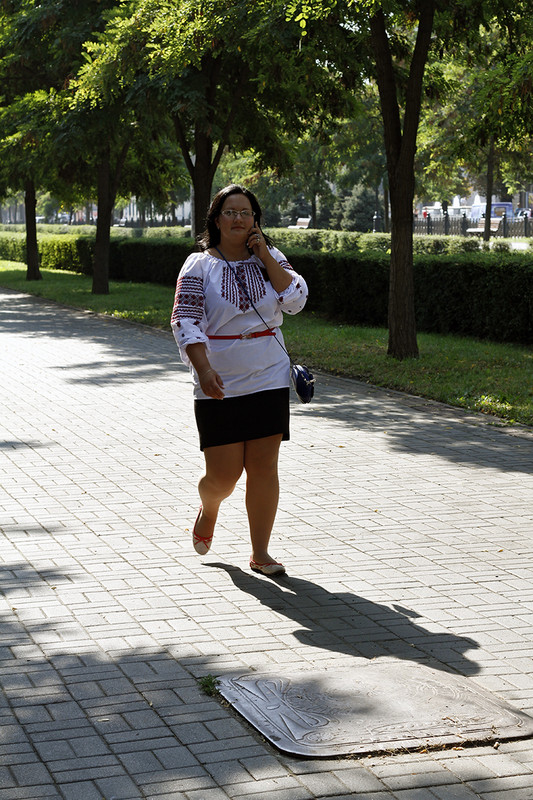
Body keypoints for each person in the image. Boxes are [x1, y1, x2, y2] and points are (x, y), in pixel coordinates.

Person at [171, 184, 308, 576]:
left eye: (246, 213)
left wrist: (264, 254)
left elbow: (295, 300)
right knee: (224, 476)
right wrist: (203, 370)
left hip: (268, 373)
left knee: (264, 467)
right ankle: (210, 505)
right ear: (216, 219)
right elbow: (185, 320)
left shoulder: (271, 258)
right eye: (230, 212)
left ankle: (261, 554)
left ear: (255, 221)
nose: (238, 219)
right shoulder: (198, 265)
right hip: (220, 378)